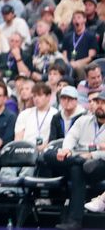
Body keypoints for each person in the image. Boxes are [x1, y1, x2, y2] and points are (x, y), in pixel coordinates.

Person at [51, 91, 105, 230]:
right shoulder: (83, 120)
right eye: (98, 102)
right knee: (55, 158)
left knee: (82, 166)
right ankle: (74, 222)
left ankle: (74, 221)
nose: (100, 106)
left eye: (104, 103)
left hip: (101, 164)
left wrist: (93, 155)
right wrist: (67, 149)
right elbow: (71, 137)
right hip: (81, 161)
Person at [14, 82, 57, 149]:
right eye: (34, 96)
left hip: (46, 151)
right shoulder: (25, 114)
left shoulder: (55, 114)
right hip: (25, 151)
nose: (36, 99)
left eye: (39, 95)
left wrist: (40, 149)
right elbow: (18, 138)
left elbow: (54, 138)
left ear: (48, 97)